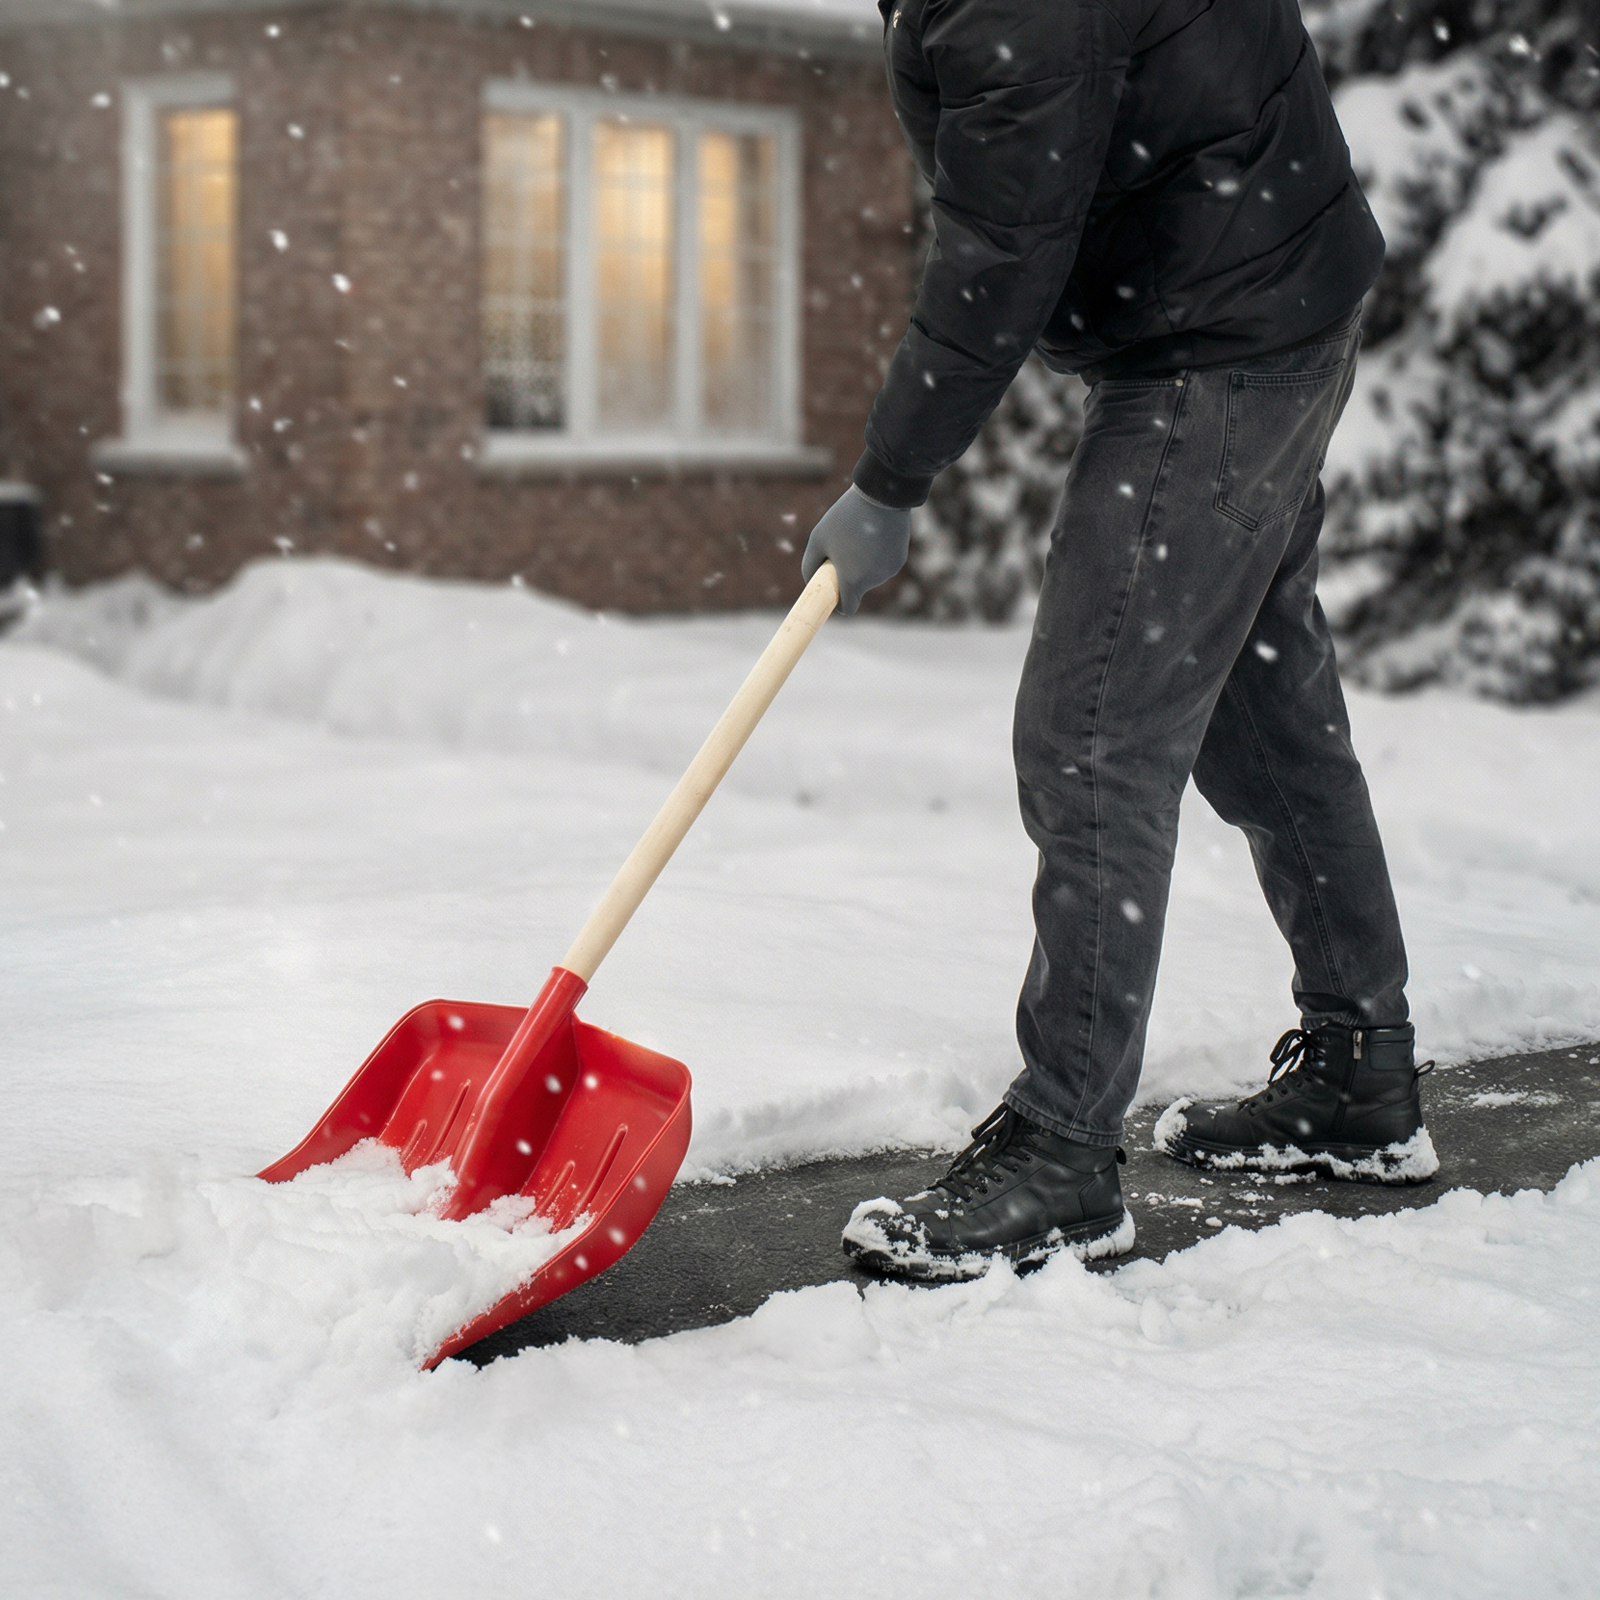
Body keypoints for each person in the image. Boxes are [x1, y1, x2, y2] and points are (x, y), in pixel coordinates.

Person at [803, 0, 1438, 1281]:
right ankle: (1359, 1068)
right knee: (1265, 713)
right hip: (1269, 290)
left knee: (1092, 736)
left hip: (1214, 341)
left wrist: (890, 481)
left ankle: (1059, 1160)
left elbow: (1002, 249)